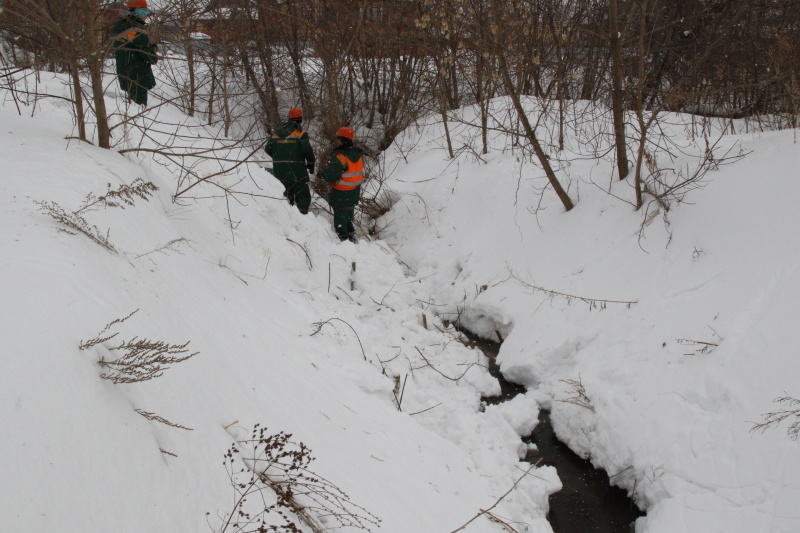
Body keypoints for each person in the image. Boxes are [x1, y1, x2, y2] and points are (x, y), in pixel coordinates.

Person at [264, 108, 315, 215]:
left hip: (280, 170)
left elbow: (268, 148)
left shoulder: (277, 132)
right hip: (297, 169)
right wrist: (311, 162)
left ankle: (287, 216)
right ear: (300, 119)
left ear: (289, 118)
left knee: (285, 194)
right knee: (303, 194)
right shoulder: (300, 133)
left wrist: (279, 158)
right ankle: (304, 216)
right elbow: (306, 150)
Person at [320, 127, 363, 243]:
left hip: (341, 193)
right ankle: (352, 237)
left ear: (342, 140)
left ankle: (344, 242)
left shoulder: (339, 156)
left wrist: (322, 174)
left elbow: (331, 176)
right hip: (353, 193)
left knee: (340, 220)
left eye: (338, 138)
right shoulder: (358, 154)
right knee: (347, 217)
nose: (337, 141)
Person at [113, 0, 158, 107]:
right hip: (138, 78)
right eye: (145, 10)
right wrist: (153, 48)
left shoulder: (119, 26)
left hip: (124, 73)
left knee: (131, 108)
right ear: (137, 11)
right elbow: (151, 58)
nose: (147, 14)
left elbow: (127, 46)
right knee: (139, 110)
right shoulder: (136, 30)